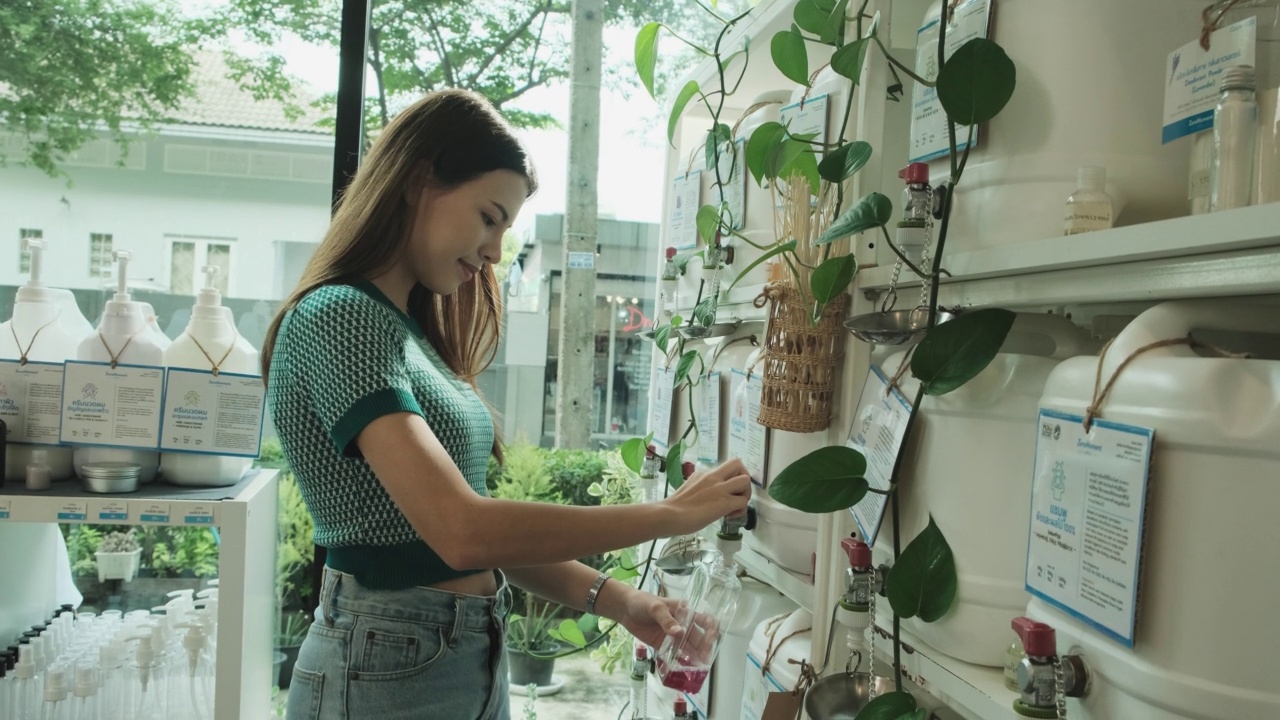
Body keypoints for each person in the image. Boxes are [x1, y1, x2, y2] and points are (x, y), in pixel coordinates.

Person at [261, 88, 752, 720]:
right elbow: (462, 531)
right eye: (489, 217)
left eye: (505, 229)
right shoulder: (340, 318)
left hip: (455, 653)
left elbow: (475, 537)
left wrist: (622, 602)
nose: (495, 251)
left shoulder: (406, 334)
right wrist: (668, 515)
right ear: (419, 179)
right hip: (386, 664)